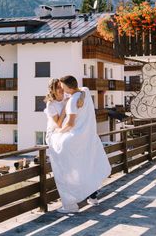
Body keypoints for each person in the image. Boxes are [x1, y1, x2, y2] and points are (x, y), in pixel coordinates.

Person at [47, 75, 111, 213]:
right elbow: (58, 124)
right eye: (58, 88)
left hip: (72, 134)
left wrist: (78, 96)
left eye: (62, 87)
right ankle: (78, 198)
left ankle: (75, 201)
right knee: (77, 167)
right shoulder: (52, 105)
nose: (61, 90)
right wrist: (69, 105)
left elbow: (83, 90)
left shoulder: (74, 96)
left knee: (85, 165)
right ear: (53, 90)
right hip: (60, 132)